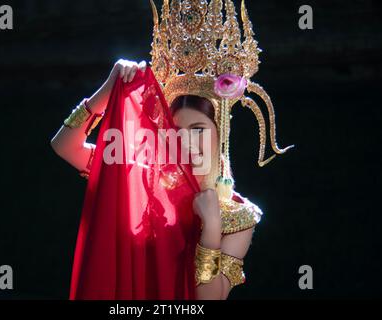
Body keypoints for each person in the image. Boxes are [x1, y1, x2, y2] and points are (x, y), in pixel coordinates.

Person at [51, 0, 293, 300]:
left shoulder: (236, 214)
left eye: (199, 130)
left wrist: (211, 227)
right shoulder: (137, 179)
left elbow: (210, 299)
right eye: (176, 133)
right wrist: (108, 89)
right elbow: (64, 145)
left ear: (221, 135)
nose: (187, 143)